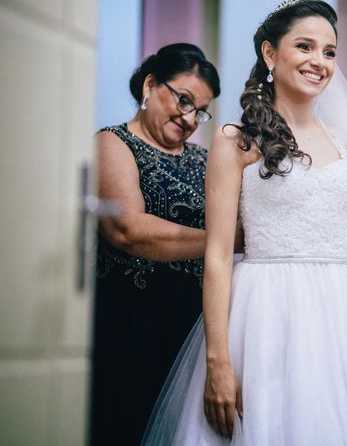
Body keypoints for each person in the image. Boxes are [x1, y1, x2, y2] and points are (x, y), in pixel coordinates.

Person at [143, 0, 347, 445]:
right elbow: (218, 255)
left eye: (330, 51)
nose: (319, 61)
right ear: (270, 54)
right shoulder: (236, 141)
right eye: (305, 46)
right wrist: (219, 361)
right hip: (261, 317)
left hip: (342, 318)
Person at [90, 43, 221, 446]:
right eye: (183, 100)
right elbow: (127, 230)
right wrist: (221, 240)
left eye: (200, 111)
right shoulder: (112, 143)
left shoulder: (205, 159)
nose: (189, 118)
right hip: (130, 324)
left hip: (191, 328)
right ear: (150, 84)